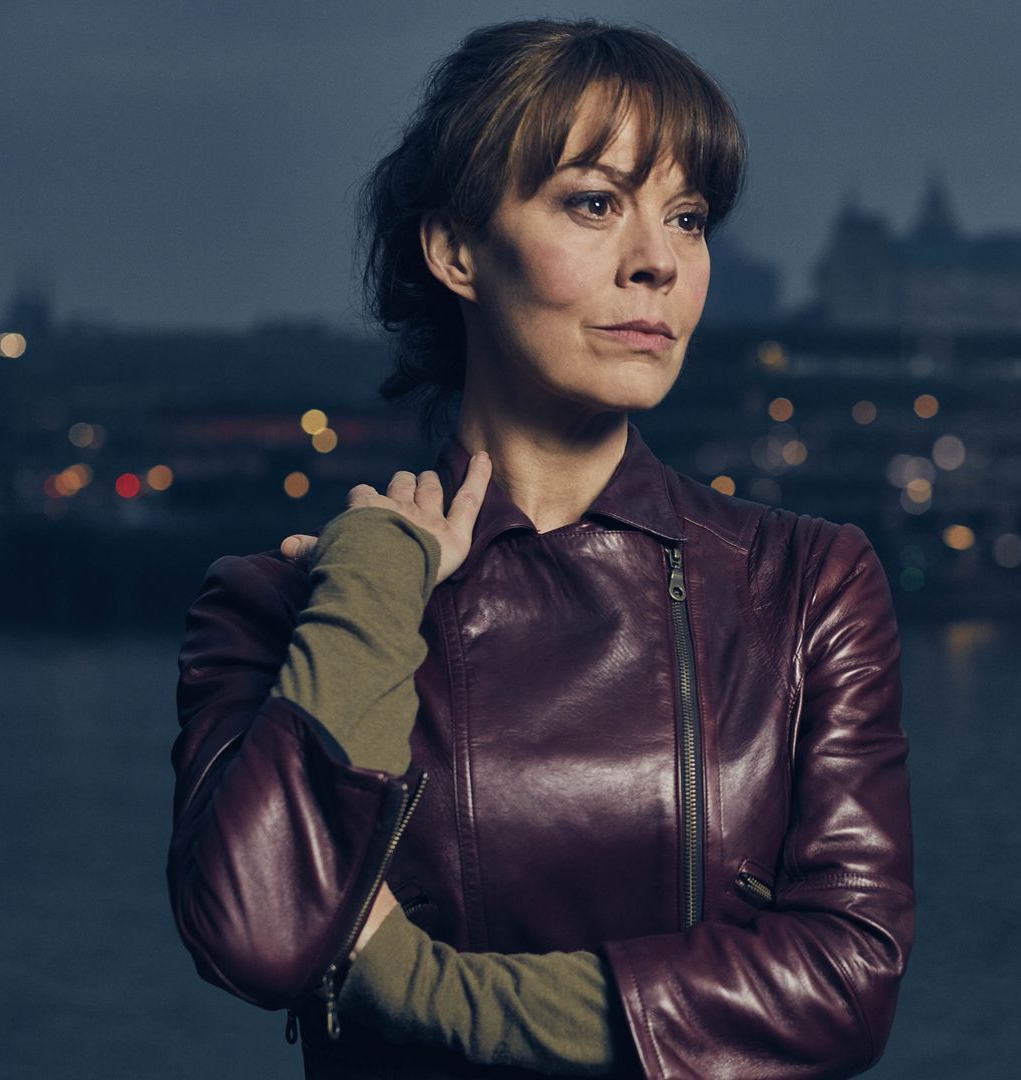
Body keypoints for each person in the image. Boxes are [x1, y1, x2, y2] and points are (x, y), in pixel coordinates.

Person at [167, 18, 915, 1079]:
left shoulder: (804, 585)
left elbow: (847, 982)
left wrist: (422, 988)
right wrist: (374, 592)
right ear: (456, 249)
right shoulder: (280, 606)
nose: (658, 261)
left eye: (689, 217)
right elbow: (256, 938)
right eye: (595, 203)